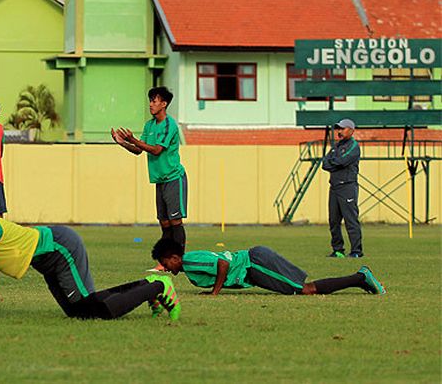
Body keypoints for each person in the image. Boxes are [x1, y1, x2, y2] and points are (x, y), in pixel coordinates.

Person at [0, 168, 180, 322]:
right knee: (78, 311)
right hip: (46, 260)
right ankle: (148, 287)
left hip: (60, 248)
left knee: (93, 311)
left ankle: (158, 285)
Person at [151, 238, 385, 296]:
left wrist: (214, 293)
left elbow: (223, 263)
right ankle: (360, 280)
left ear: (174, 257)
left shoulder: (190, 260)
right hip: (255, 264)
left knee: (306, 290)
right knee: (304, 289)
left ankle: (360, 278)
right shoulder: (189, 268)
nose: (164, 267)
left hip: (255, 264)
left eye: (164, 262)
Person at [111, 87, 188, 253]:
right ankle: (166, 260)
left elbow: (156, 150)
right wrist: (122, 143)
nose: (151, 105)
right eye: (150, 101)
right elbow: (139, 150)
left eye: (154, 101)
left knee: (175, 221)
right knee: (164, 222)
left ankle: (178, 259)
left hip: (174, 177)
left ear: (164, 104)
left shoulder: (169, 125)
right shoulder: (149, 125)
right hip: (160, 179)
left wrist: (132, 139)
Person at [322, 119, 362, 258]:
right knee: (333, 221)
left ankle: (356, 251)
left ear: (351, 130)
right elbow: (325, 164)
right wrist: (335, 163)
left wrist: (334, 163)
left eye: (342, 129)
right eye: (338, 129)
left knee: (351, 220)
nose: (339, 131)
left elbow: (342, 161)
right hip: (334, 187)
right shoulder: (336, 146)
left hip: (347, 186)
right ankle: (338, 250)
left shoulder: (354, 146)